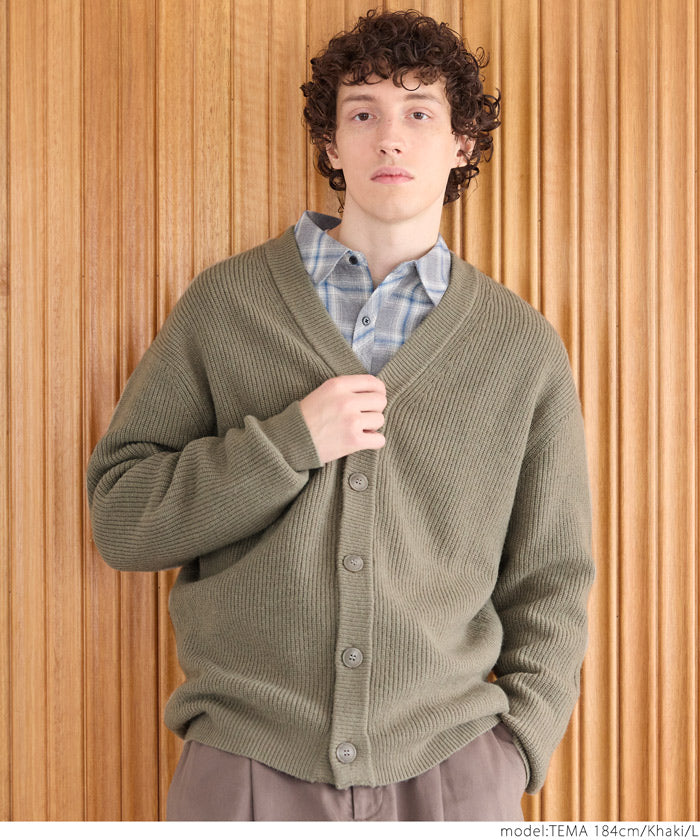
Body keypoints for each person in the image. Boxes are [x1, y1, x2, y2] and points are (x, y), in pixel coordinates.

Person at [87, 8, 594, 822]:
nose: (390, 139)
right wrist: (288, 445)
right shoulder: (227, 306)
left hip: (455, 774)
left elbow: (553, 577)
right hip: (247, 767)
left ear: (461, 144)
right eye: (363, 114)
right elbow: (121, 518)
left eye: (419, 113)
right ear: (330, 144)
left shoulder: (520, 348)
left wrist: (518, 748)